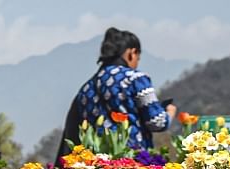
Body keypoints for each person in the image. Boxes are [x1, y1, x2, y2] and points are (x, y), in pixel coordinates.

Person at [62, 28, 175, 158]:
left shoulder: (87, 87)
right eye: (138, 58)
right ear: (131, 53)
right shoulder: (135, 79)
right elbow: (157, 122)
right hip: (133, 162)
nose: (136, 63)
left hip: (97, 167)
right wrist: (169, 112)